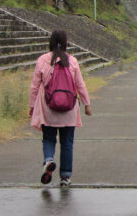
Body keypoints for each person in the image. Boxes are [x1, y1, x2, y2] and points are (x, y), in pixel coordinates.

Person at [29, 30, 92, 187]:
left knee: (49, 139)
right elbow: (80, 84)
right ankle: (65, 177)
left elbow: (35, 86)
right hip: (69, 109)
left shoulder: (43, 60)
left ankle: (48, 160)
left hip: (48, 108)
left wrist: (31, 106)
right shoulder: (72, 61)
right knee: (67, 143)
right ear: (65, 42)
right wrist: (87, 104)